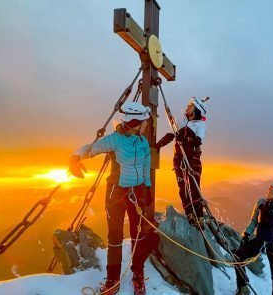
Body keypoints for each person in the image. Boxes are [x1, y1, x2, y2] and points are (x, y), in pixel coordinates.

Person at [69, 101, 152, 295]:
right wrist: (75, 157)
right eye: (144, 122)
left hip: (137, 192)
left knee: (138, 234)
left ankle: (137, 274)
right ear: (135, 122)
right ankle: (113, 279)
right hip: (116, 194)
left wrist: (147, 189)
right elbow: (91, 148)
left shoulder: (143, 141)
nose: (147, 125)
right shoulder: (115, 140)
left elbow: (146, 166)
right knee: (114, 237)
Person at [233, 181, 273, 295]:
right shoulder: (261, 203)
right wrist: (246, 233)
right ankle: (242, 288)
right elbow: (254, 221)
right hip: (259, 240)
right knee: (237, 257)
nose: (269, 190)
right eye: (269, 188)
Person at [155, 97, 207, 228]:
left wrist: (184, 135)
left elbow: (198, 140)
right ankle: (189, 212)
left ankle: (199, 215)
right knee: (182, 187)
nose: (187, 107)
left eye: (190, 106)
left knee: (194, 187)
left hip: (192, 159)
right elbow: (172, 134)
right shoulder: (182, 120)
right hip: (179, 158)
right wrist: (159, 144)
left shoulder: (200, 125)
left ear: (196, 110)